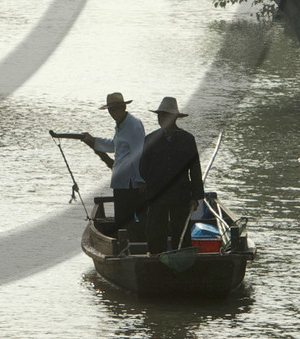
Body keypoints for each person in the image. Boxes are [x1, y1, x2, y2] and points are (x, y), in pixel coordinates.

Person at [67, 92, 147, 247]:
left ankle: (137, 247)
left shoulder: (134, 125)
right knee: (122, 220)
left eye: (115, 109)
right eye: (110, 110)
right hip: (120, 182)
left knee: (131, 219)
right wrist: (93, 141)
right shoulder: (121, 125)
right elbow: (114, 146)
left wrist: (140, 179)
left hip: (131, 183)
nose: (112, 113)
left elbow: (139, 154)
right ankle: (126, 247)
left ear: (123, 107)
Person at [139, 96, 204, 252]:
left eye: (165, 115)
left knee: (181, 232)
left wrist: (196, 197)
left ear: (174, 118)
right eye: (160, 115)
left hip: (180, 194)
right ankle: (155, 259)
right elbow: (143, 168)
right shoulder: (150, 139)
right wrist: (151, 184)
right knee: (155, 231)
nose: (161, 119)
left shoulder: (187, 139)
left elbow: (195, 169)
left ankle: (181, 260)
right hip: (157, 193)